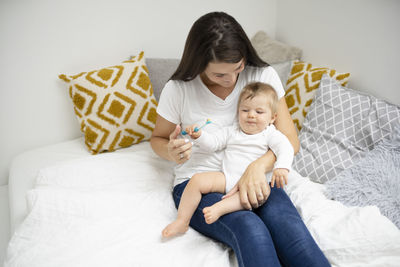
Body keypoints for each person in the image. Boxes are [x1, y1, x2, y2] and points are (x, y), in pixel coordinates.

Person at [150, 11, 330, 267]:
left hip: (260, 178)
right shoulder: (178, 89)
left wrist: (257, 167)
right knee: (250, 229)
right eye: (219, 75)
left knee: (292, 233)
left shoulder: (263, 76)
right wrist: (171, 151)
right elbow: (157, 138)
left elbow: (290, 140)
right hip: (200, 183)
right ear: (198, 63)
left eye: (238, 68)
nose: (231, 80)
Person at [162, 82, 294, 237]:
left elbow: (286, 147)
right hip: (227, 177)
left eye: (259, 112)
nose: (251, 115)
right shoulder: (232, 131)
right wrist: (199, 136)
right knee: (197, 180)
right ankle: (182, 221)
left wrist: (282, 167)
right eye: (245, 110)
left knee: (253, 196)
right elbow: (213, 143)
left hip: (255, 184)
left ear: (272, 117)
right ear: (238, 112)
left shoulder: (270, 134)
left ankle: (220, 208)